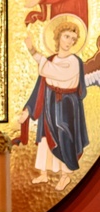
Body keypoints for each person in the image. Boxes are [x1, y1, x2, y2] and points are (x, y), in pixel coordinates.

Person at [20, 20, 89, 191]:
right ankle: (44, 173)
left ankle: (65, 175)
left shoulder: (74, 62)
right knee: (46, 136)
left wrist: (32, 51)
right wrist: (28, 110)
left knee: (64, 136)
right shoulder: (50, 59)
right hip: (50, 100)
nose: (70, 41)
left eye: (73, 39)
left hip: (66, 104)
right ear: (58, 37)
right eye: (66, 36)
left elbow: (53, 71)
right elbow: (40, 86)